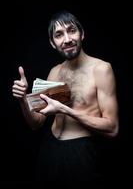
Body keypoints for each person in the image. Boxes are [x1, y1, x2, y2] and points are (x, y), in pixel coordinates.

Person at [12, 10, 119, 186]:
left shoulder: (101, 69)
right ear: (53, 43)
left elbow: (113, 128)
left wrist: (64, 110)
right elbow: (35, 123)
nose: (67, 39)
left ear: (82, 33)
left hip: (82, 152)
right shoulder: (55, 72)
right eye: (59, 34)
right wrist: (23, 99)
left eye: (72, 30)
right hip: (50, 149)